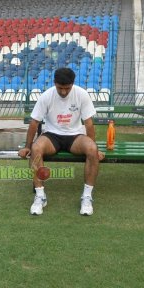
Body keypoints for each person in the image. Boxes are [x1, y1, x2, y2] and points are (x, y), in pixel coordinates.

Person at [18, 67, 104, 216]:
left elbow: (89, 123)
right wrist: (27, 147)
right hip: (52, 135)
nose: (63, 92)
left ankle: (87, 197)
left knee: (91, 149)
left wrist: (96, 149)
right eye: (60, 88)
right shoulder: (46, 96)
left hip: (75, 136)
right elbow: (34, 123)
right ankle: (40, 196)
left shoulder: (81, 95)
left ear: (73, 84)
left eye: (67, 88)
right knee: (36, 148)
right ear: (54, 83)